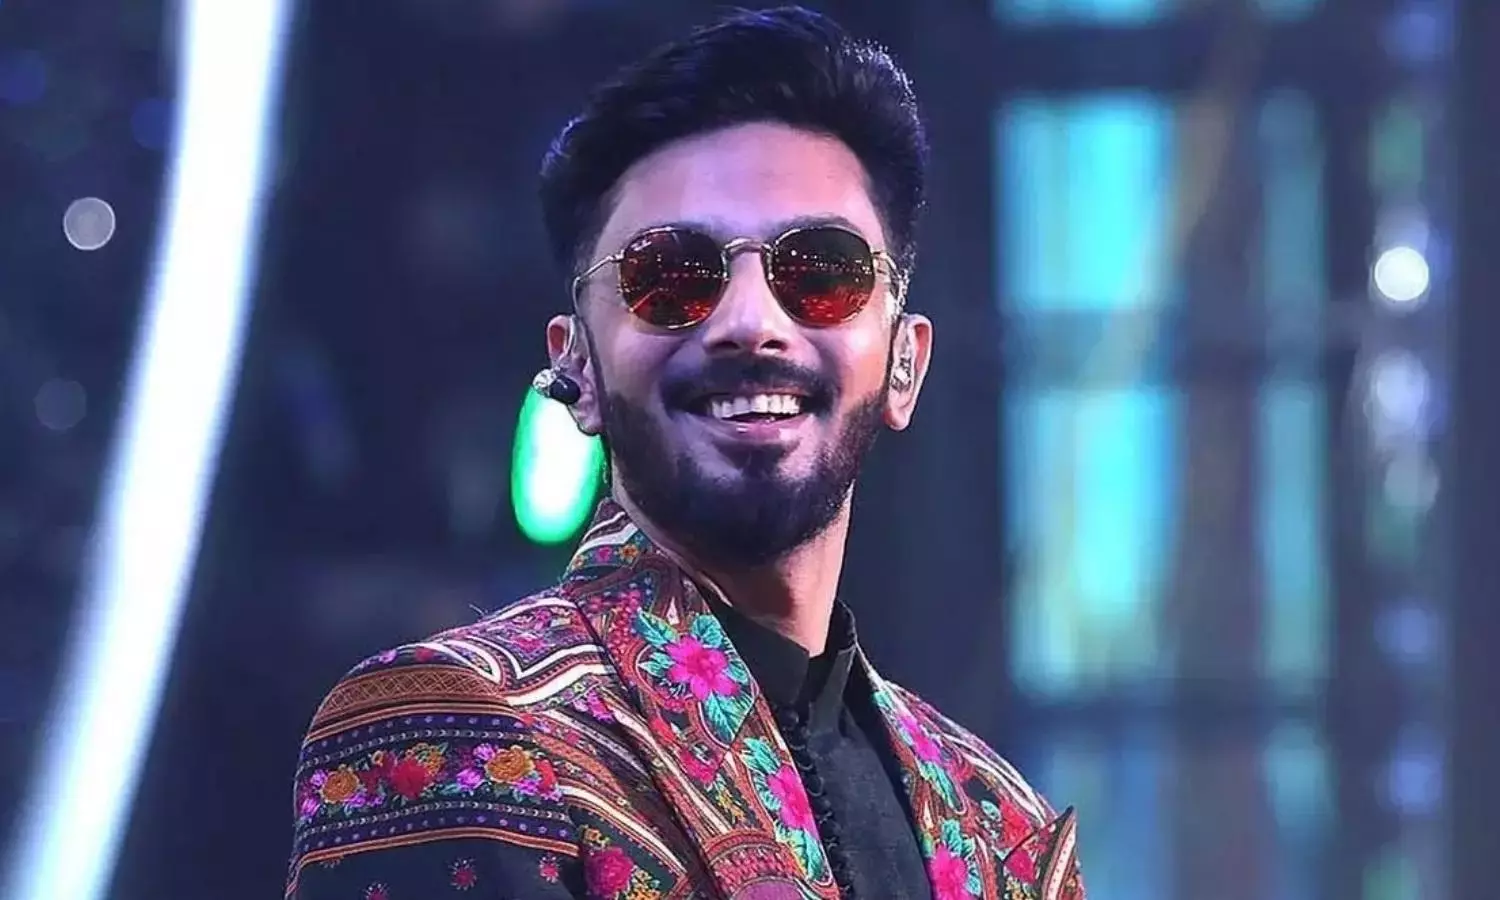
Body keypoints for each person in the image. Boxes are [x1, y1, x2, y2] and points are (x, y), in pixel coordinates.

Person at [286, 7, 1084, 899]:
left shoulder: (1004, 832)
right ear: (577, 367)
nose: (750, 322)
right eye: (669, 276)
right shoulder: (457, 733)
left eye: (821, 272)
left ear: (905, 364)